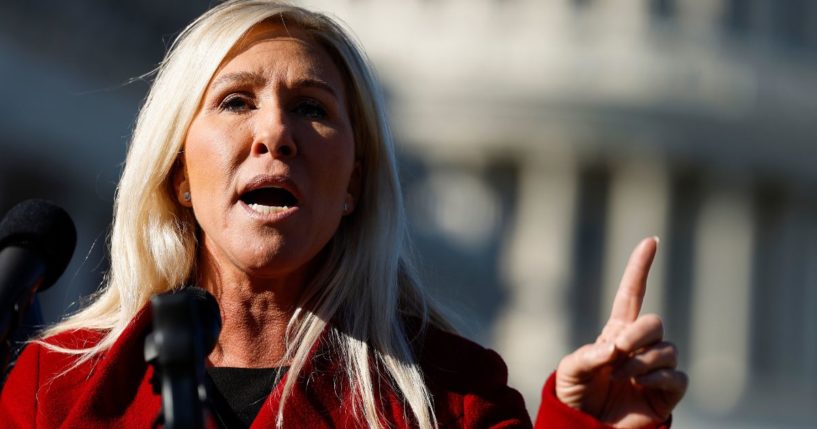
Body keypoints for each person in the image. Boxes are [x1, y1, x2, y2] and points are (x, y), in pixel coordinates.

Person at [0, 1, 687, 428]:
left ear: (354, 182)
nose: (275, 133)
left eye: (312, 108)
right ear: (179, 173)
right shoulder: (57, 386)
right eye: (236, 101)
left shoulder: (449, 396)